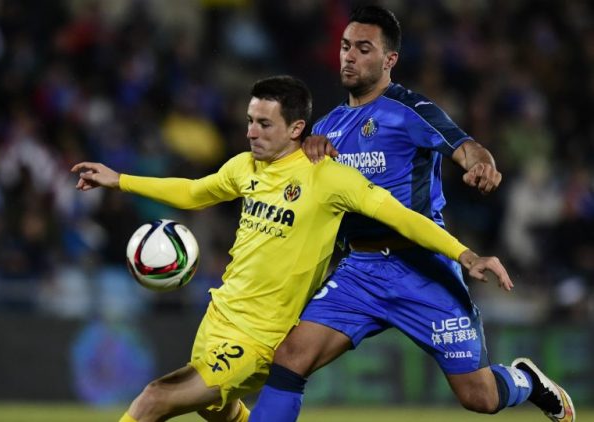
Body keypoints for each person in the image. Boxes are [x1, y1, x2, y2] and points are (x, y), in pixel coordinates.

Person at [72, 75, 513, 422]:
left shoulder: (330, 177)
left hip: (259, 338)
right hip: (218, 317)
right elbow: (192, 192)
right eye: (250, 121)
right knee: (215, 409)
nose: (252, 132)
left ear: (296, 128)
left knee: (155, 398)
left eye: (264, 124)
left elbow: (403, 218)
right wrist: (119, 180)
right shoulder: (244, 167)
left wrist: (465, 255)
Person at [249, 6, 575, 422]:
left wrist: (482, 164)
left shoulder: (410, 109)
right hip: (360, 271)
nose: (349, 56)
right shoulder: (326, 128)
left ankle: (526, 380)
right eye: (346, 47)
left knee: (479, 396)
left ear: (389, 60)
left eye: (363, 49)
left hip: (423, 268)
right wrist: (307, 152)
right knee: (291, 358)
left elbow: (465, 146)